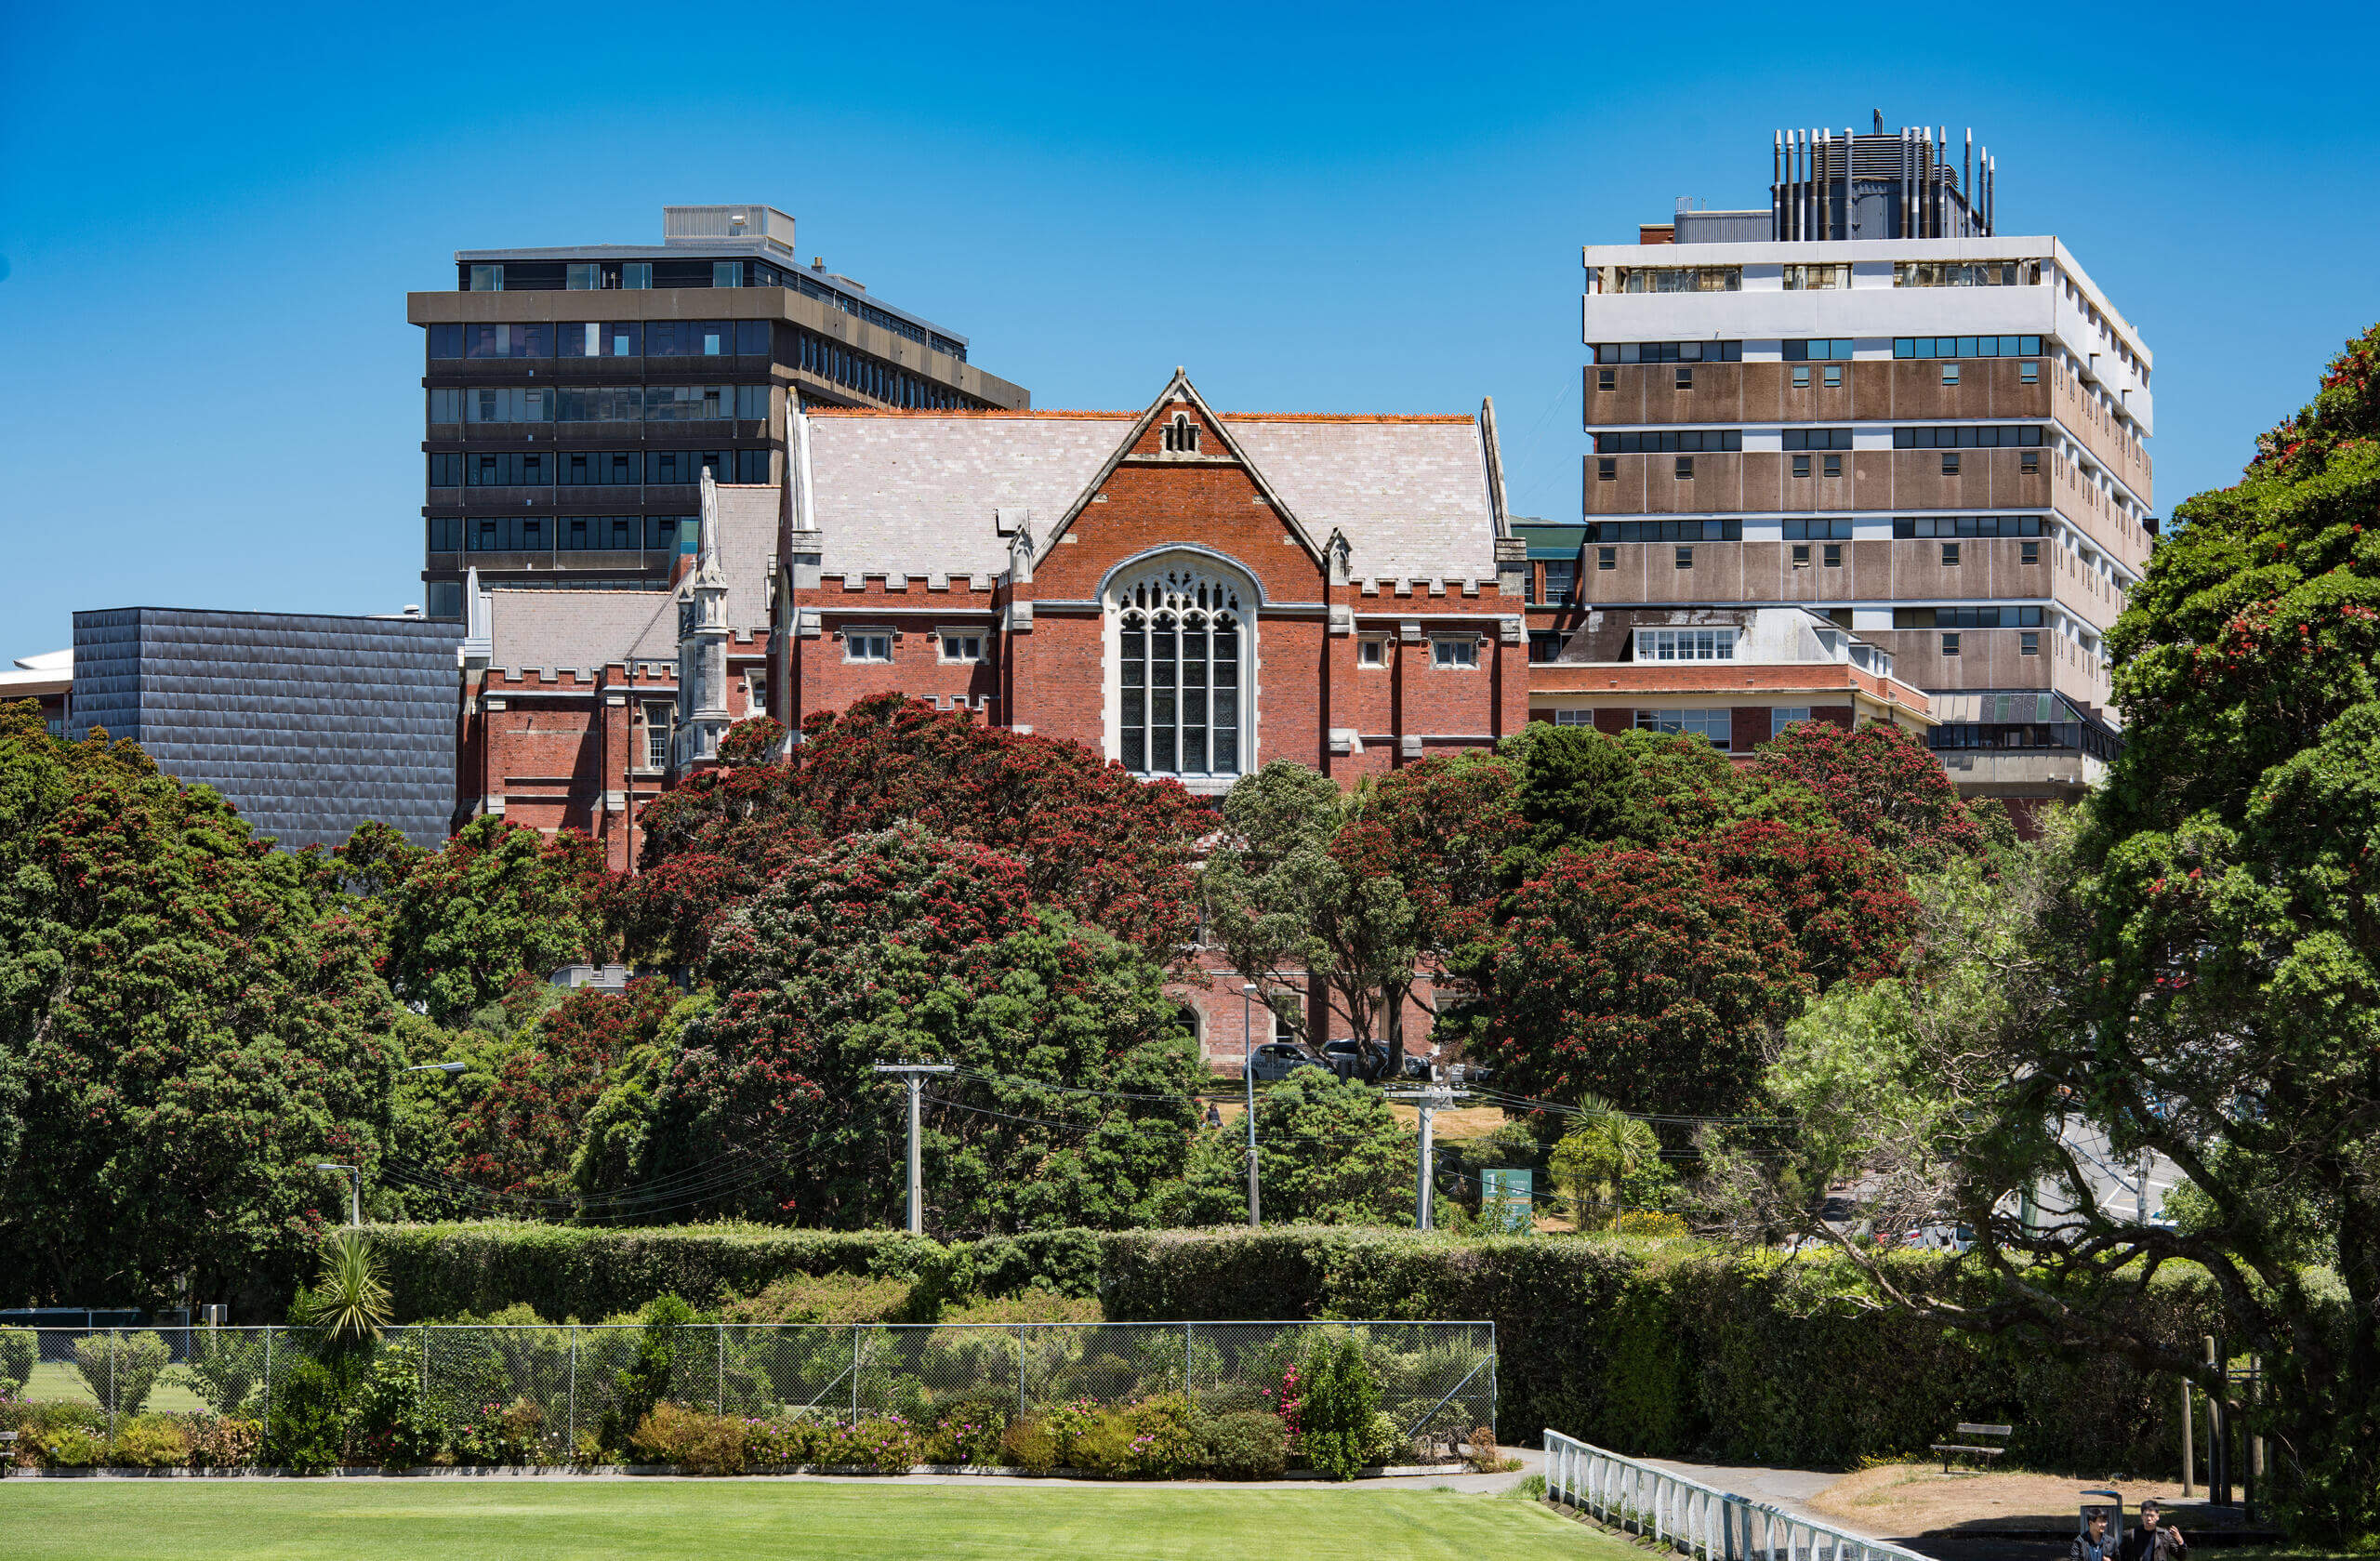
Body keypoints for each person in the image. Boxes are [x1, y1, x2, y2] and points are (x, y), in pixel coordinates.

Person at [2121, 1500, 2187, 1561]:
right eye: (2146, 1515)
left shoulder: (2164, 1535)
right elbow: (2120, 1556)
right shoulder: (2131, 1534)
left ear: (2157, 1517)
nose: (2149, 1519)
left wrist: (2180, 1541)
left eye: (2152, 1515)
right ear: (2141, 1516)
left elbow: (2181, 1557)